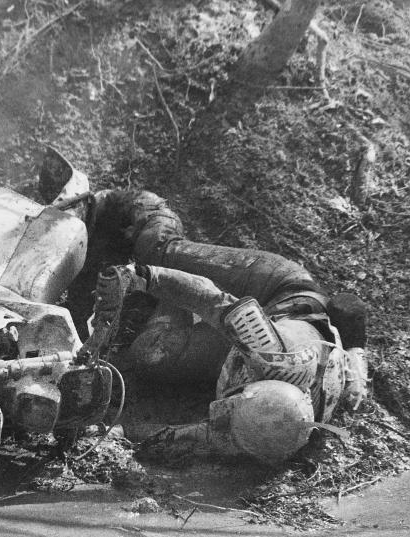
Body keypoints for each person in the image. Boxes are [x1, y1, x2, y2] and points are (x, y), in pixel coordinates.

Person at [78, 189, 368, 465]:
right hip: (279, 288)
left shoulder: (271, 434)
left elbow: (189, 435)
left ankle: (171, 302)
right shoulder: (268, 350)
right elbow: (209, 297)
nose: (224, 415)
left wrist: (111, 433)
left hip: (256, 347)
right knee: (158, 250)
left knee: (152, 353)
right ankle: (134, 203)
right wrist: (142, 275)